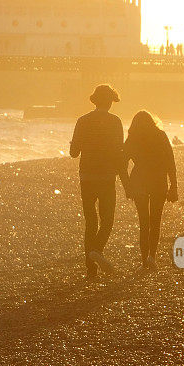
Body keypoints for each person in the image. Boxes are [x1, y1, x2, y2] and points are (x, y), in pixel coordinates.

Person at [70, 84, 126, 279]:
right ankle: (97, 250)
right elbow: (120, 153)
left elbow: (73, 153)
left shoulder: (82, 121)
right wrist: (126, 181)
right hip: (107, 177)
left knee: (90, 221)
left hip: (86, 177)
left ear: (95, 101)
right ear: (110, 102)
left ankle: (91, 268)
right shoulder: (115, 122)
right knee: (107, 219)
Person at [122, 110, 178, 269]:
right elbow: (170, 162)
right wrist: (174, 186)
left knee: (143, 222)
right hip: (159, 181)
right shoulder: (160, 136)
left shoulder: (132, 139)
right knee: (155, 221)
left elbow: (121, 165)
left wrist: (127, 186)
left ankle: (144, 261)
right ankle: (152, 257)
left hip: (139, 182)